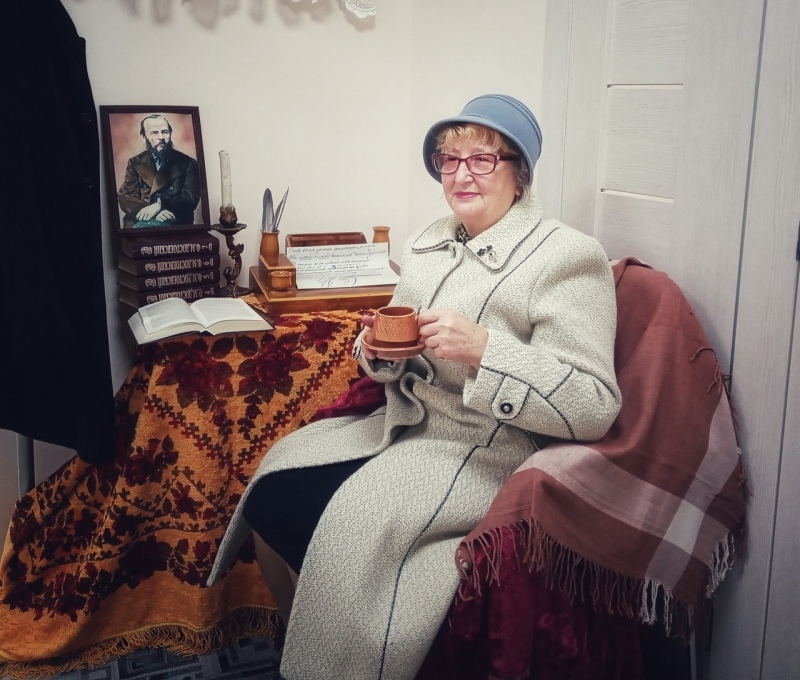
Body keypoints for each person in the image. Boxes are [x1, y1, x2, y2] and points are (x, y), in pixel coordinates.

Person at [207, 94, 622, 680]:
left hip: (483, 450)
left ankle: (338, 662)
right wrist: (375, 349)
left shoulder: (569, 257)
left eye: (482, 159)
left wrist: (485, 349)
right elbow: (397, 346)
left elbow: (594, 405)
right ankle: (309, 650)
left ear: (520, 172)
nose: (461, 174)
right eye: (449, 159)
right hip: (404, 423)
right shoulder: (429, 239)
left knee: (344, 529)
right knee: (274, 482)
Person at [117, 114, 201, 228]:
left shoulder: (188, 163)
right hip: (139, 222)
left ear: (170, 134)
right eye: (154, 133)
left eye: (165, 132)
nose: (161, 137)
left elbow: (190, 198)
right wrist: (152, 212)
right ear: (144, 137)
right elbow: (126, 196)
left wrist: (161, 205)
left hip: (174, 220)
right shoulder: (135, 162)